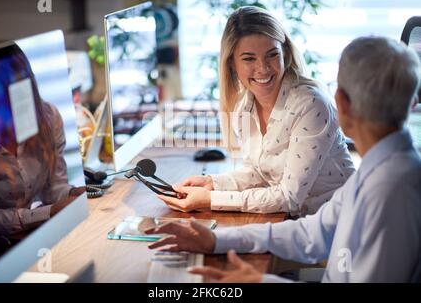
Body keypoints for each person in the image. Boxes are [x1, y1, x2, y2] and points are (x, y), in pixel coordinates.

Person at [147, 36, 421, 282]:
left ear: (341, 102)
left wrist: (259, 282)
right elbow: (310, 234)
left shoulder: (392, 188)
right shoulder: (378, 169)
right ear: (413, 103)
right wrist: (215, 240)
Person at [158, 6, 355, 216]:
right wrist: (212, 184)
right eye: (249, 58)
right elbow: (260, 174)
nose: (263, 68)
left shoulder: (310, 104)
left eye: (271, 55)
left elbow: (289, 197)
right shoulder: (244, 105)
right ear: (232, 63)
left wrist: (211, 200)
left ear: (285, 54)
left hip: (340, 223)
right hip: (299, 222)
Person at [0, 44, 84, 249]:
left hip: (31, 239)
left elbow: (53, 190)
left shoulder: (49, 118)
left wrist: (72, 194)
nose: (1, 94)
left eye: (11, 83)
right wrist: (48, 212)